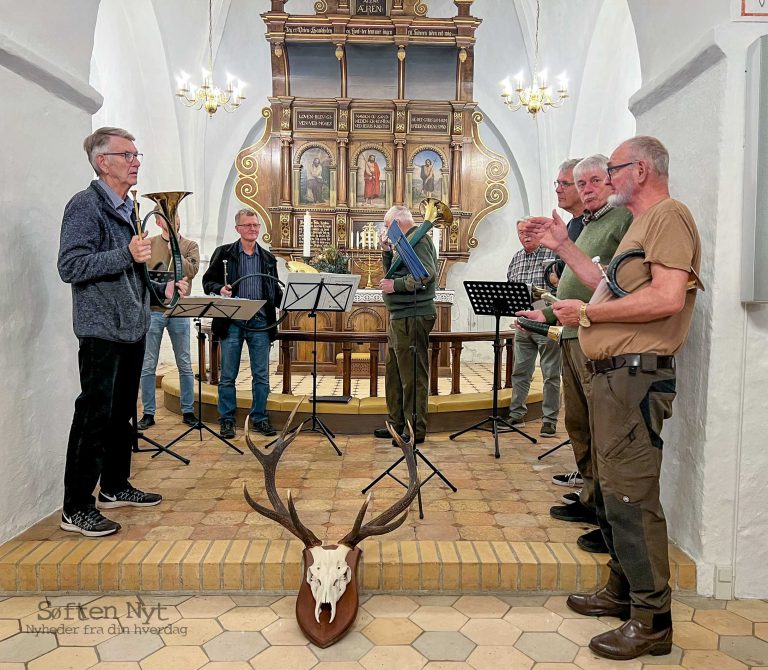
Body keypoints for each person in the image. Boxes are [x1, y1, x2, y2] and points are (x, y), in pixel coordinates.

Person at [524, 136, 701, 660]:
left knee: (631, 494)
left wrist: (591, 317)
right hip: (613, 374)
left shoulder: (669, 216)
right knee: (613, 489)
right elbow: (609, 287)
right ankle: (621, 590)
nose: (605, 180)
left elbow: (667, 297)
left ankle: (651, 620)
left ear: (640, 170)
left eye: (615, 169)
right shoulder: (642, 226)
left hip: (634, 376)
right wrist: (563, 245)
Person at [58, 127, 187, 537]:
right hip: (101, 329)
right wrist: (125, 253)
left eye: (136, 154)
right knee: (93, 416)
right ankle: (75, 507)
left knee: (120, 415)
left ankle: (114, 486)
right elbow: (71, 266)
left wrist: (160, 287)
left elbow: (132, 271)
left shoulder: (128, 209)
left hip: (131, 325)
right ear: (103, 162)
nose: (136, 161)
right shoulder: (85, 206)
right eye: (127, 154)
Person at [516, 154, 632, 553]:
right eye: (580, 184)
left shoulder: (622, 221)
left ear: (613, 181)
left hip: (597, 334)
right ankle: (589, 498)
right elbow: (572, 285)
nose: (587, 190)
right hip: (569, 332)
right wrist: (544, 312)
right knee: (579, 424)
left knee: (601, 430)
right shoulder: (588, 225)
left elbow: (613, 283)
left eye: (594, 181)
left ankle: (606, 515)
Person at [202, 209, 282, 439]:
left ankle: (260, 417)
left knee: (261, 375)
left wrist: (292, 296)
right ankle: (227, 419)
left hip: (259, 322)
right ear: (237, 228)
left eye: (256, 225)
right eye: (247, 225)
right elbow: (208, 281)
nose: (253, 229)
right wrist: (220, 289)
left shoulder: (267, 258)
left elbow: (273, 291)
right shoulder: (224, 253)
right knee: (228, 374)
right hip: (232, 320)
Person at [373, 205, 437, 444]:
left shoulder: (418, 241)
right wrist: (387, 253)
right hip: (400, 316)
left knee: (412, 376)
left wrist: (395, 287)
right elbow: (393, 273)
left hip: (414, 314)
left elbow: (424, 275)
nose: (386, 230)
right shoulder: (404, 243)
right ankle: (396, 423)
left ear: (399, 224)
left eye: (387, 225)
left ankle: (414, 429)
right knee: (394, 373)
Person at [137, 210, 200, 430]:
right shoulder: (150, 243)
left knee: (184, 363)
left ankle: (188, 410)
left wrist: (175, 246)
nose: (174, 221)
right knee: (148, 365)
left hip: (179, 311)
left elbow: (192, 270)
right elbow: (142, 274)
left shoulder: (190, 245)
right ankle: (148, 412)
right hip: (154, 310)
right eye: (167, 218)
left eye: (176, 217)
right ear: (157, 222)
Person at [506, 220, 560, 436]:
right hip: (522, 325)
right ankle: (516, 414)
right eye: (520, 233)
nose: (525, 236)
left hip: (546, 324)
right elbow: (510, 286)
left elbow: (559, 287)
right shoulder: (516, 258)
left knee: (550, 374)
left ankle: (549, 420)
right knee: (520, 372)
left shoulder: (552, 255)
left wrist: (544, 311)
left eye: (529, 232)